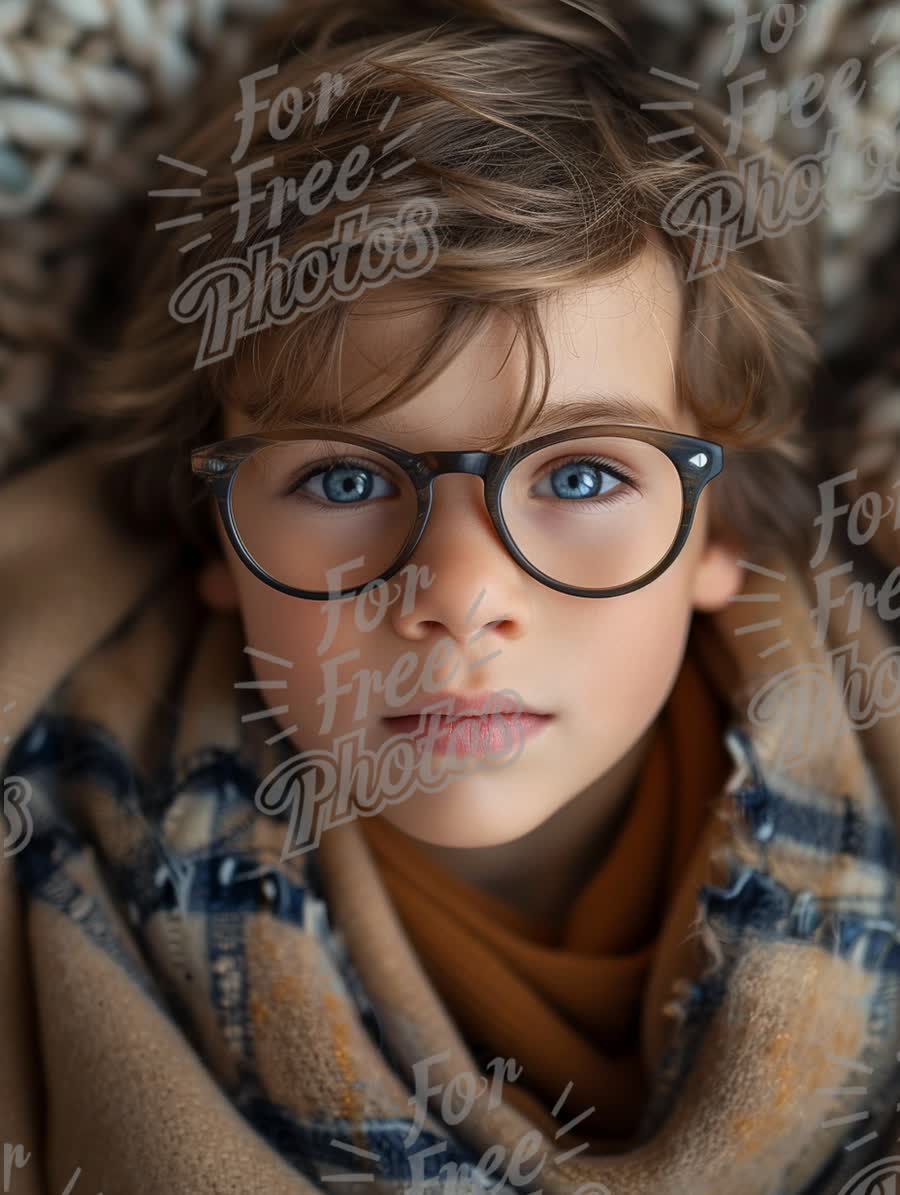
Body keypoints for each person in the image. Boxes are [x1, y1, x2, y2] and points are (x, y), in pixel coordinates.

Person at [2, 2, 900, 1192]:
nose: (461, 597)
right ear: (208, 522)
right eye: (339, 476)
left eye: (581, 474)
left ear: (719, 527)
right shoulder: (60, 870)